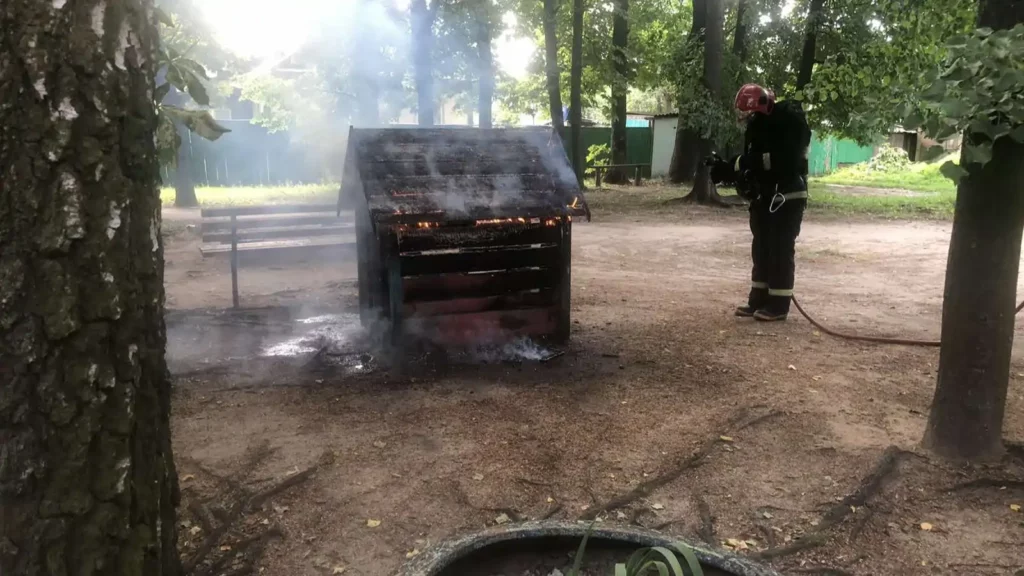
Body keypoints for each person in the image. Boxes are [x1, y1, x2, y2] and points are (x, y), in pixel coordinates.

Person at [708, 83, 812, 322]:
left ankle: (778, 305)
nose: (747, 118)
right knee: (762, 248)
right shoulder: (759, 128)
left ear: (763, 106)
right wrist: (727, 170)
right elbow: (751, 162)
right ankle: (758, 300)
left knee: (779, 249)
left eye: (751, 112)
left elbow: (777, 161)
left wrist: (745, 163)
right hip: (766, 198)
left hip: (786, 197)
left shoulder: (786, 126)